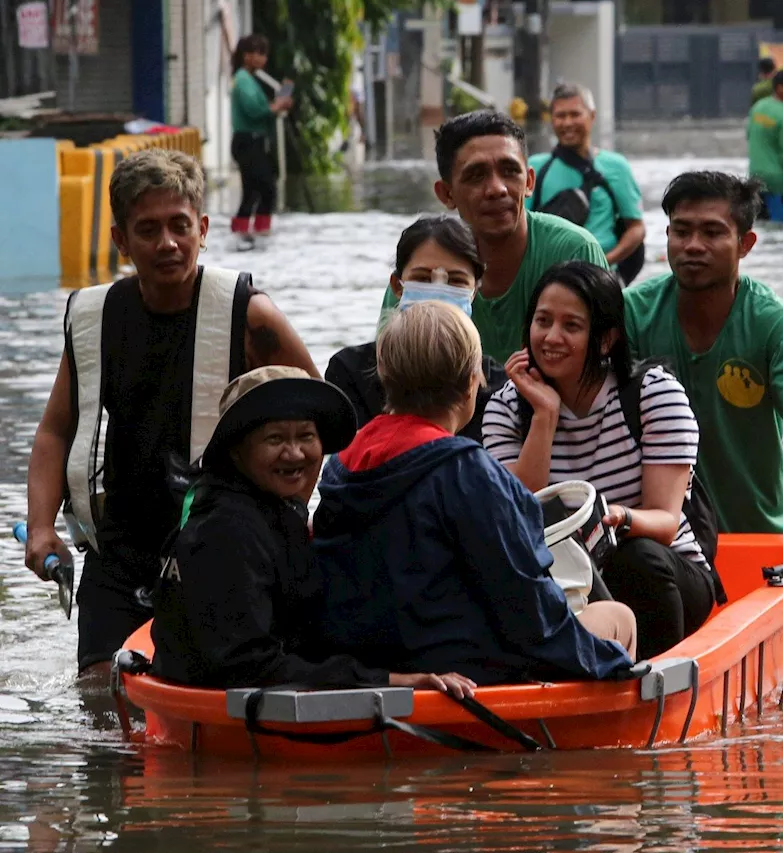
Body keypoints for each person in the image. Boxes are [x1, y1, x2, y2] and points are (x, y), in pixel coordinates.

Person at [23, 149, 319, 677]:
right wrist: (41, 525)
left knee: (218, 683)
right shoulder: (94, 320)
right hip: (121, 550)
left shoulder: (249, 314)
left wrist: (289, 517)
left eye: (180, 226)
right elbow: (54, 431)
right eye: (148, 229)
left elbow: (319, 414)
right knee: (101, 695)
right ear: (121, 240)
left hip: (224, 546)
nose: (167, 244)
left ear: (203, 229)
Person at [311, 301, 637, 684]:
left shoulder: (342, 462)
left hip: (371, 665)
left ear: (384, 373)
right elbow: (526, 609)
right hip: (466, 668)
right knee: (618, 619)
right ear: (471, 382)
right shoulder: (467, 470)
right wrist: (604, 658)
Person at [624, 171, 783, 672]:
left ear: (745, 243)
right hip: (665, 543)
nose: (692, 245)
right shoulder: (633, 316)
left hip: (765, 541)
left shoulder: (776, 326)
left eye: (712, 232)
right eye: (680, 231)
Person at [150, 365, 474, 698]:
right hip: (227, 706)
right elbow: (246, 667)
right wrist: (389, 681)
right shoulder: (226, 531)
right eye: (274, 438)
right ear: (237, 450)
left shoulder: (268, 511)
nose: (294, 453)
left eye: (306, 436)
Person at [483, 262, 716, 660]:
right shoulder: (506, 407)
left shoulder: (653, 395)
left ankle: (657, 685)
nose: (551, 337)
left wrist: (618, 518)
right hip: (562, 583)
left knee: (637, 558)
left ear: (605, 340)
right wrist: (545, 417)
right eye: (543, 321)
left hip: (665, 575)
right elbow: (515, 516)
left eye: (571, 326)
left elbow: (664, 520)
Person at [375, 111, 607, 362]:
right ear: (446, 194)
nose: (497, 189)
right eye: (476, 175)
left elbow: (603, 366)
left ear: (529, 182)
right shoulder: (420, 270)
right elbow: (391, 369)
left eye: (509, 171)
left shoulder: (575, 252)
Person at [326, 216, 506, 438]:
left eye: (456, 281)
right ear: (397, 286)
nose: (438, 293)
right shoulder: (350, 371)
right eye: (422, 278)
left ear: (474, 291)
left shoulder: (496, 385)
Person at [528, 83, 646, 283]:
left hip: (602, 277)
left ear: (592, 116)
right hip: (548, 278)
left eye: (575, 114)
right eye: (560, 116)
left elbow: (636, 228)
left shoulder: (616, 166)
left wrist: (604, 262)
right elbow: (520, 225)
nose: (567, 123)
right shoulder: (535, 167)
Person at [229, 34, 292, 250]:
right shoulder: (242, 79)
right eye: (258, 53)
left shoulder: (252, 79)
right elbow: (254, 110)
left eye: (264, 54)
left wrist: (278, 104)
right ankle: (254, 233)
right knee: (266, 188)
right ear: (246, 55)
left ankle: (248, 232)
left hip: (255, 142)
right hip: (247, 141)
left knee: (254, 190)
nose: (262, 58)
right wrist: (275, 107)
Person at [747, 69, 783, 225]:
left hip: (755, 176)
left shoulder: (757, 108)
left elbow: (749, 136)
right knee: (780, 226)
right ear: (780, 87)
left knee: (758, 225)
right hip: (778, 182)